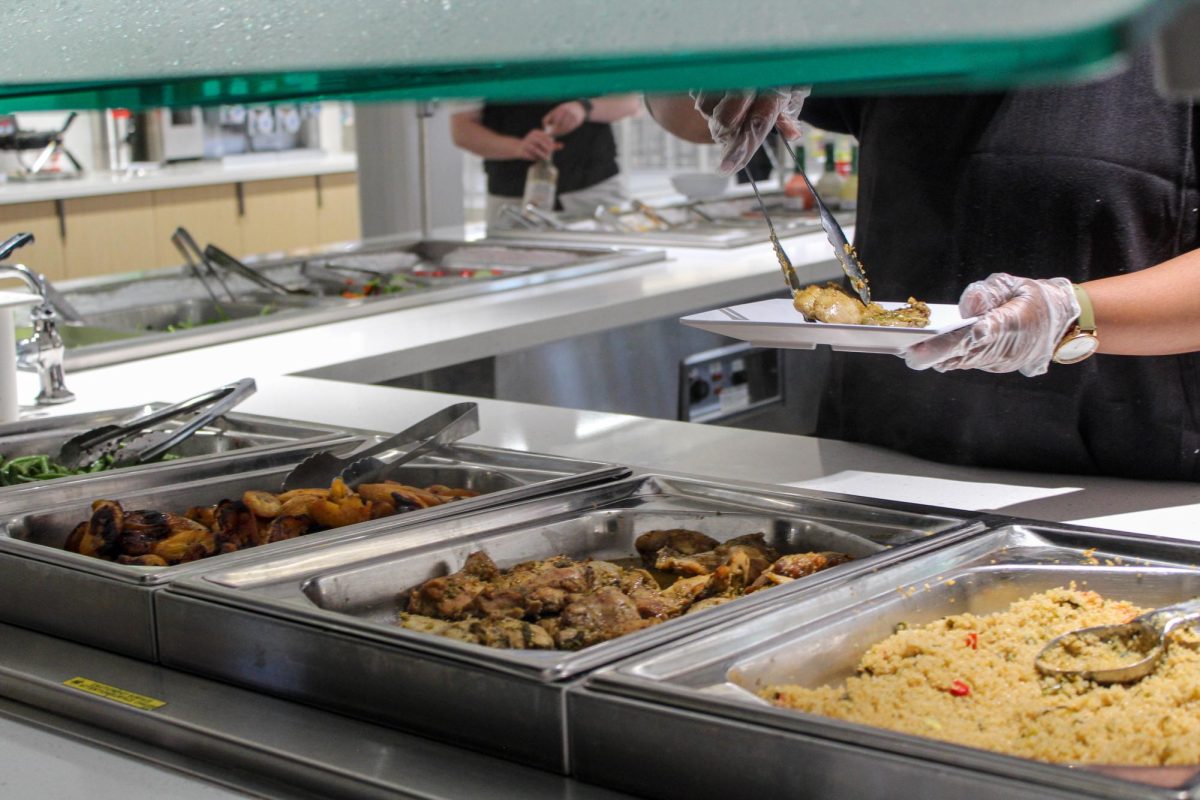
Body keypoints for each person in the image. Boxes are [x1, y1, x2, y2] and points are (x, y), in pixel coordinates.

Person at [646, 50, 1200, 481]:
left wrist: (1067, 314)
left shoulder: (1172, 32)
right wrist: (715, 53)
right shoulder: (911, 20)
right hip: (886, 456)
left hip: (1119, 473)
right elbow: (682, 115)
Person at [450, 97, 642, 230]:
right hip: (514, 202)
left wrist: (583, 108)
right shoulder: (482, 52)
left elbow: (629, 102)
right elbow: (462, 130)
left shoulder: (591, 42)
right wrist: (518, 147)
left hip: (595, 193)